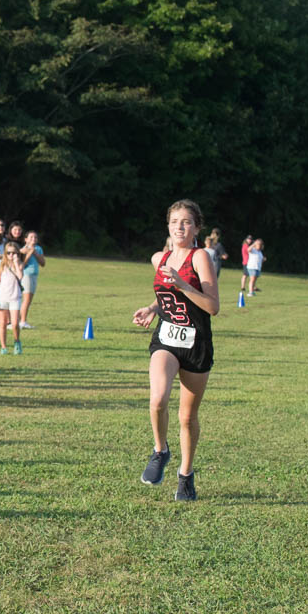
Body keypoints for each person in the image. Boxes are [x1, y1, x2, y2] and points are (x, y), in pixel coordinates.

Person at [132, 199, 219, 502]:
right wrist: (153, 307)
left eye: (185, 222)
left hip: (196, 345)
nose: (179, 227)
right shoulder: (160, 258)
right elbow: (165, 295)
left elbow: (213, 307)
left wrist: (183, 284)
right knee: (157, 399)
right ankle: (160, 450)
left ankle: (186, 475)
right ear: (167, 225)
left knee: (186, 417)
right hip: (166, 340)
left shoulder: (201, 258)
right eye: (174, 221)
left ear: (196, 227)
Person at [0, 241, 24, 355]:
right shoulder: (2, 265)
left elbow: (20, 276)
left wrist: (15, 263)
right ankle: (3, 347)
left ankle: (17, 341)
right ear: (5, 253)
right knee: (3, 323)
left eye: (13, 253)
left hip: (15, 298)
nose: (11, 255)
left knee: (15, 324)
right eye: (8, 253)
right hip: (2, 297)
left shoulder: (19, 264)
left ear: (17, 253)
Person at [18, 229, 45, 329]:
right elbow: (22, 264)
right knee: (26, 299)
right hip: (26, 275)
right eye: (31, 237)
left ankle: (22, 320)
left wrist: (35, 253)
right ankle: (22, 321)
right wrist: (29, 253)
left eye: (35, 237)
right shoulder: (23, 249)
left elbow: (43, 263)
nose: (34, 239)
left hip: (34, 276)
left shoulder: (39, 249)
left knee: (29, 300)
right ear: (26, 239)